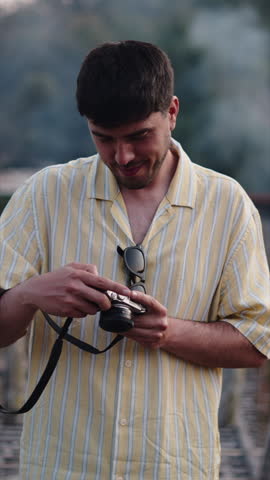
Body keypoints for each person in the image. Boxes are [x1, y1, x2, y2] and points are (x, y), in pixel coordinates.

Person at [0, 40, 269, 480]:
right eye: (104, 139)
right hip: (61, 466)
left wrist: (169, 331)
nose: (122, 157)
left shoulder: (229, 204)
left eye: (138, 136)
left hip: (176, 467)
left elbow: (258, 342)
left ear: (173, 112)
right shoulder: (43, 194)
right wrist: (30, 295)